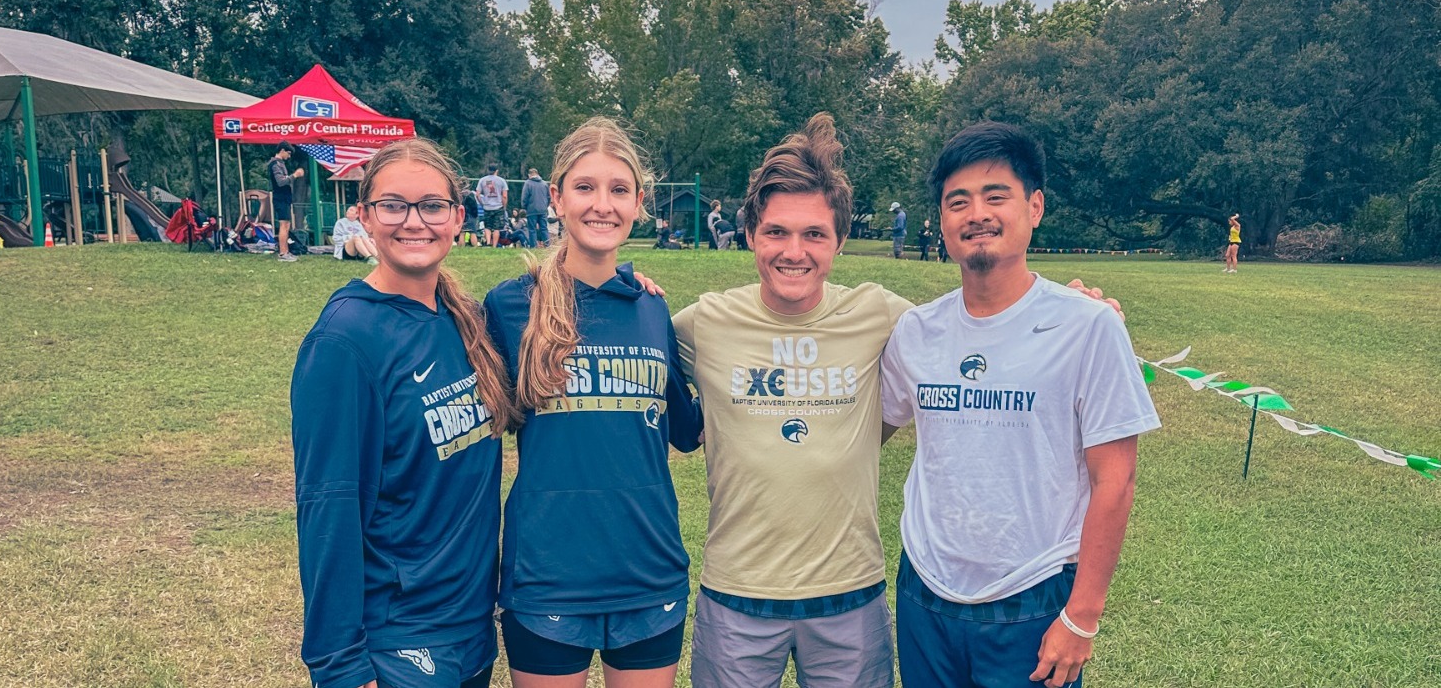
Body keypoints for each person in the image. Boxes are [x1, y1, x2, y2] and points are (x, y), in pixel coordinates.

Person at [673, 113, 1119, 688]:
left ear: (839, 240)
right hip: (735, 594)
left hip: (851, 594)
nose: (794, 251)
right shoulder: (704, 322)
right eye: (777, 232)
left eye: (815, 234)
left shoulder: (885, 316)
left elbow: (980, 329)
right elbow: (637, 344)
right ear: (751, 234)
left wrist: (1075, 309)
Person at [880, 121, 1160, 688]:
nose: (976, 214)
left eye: (996, 196)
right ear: (942, 220)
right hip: (925, 591)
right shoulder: (916, 330)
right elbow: (861, 434)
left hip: (1032, 596)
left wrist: (1081, 618)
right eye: (958, 201)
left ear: (1034, 207)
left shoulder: (1088, 326)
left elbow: (1115, 481)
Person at [290, 138, 523, 688]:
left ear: (458, 218)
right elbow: (328, 505)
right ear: (365, 216)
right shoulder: (345, 341)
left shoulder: (465, 320)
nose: (414, 221)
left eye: (432, 206)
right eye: (393, 205)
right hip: (398, 642)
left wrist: (625, 281)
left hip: (470, 628)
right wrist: (340, 666)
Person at [483, 117, 703, 688]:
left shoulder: (651, 306)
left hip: (647, 571)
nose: (602, 205)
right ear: (556, 198)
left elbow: (688, 429)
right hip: (548, 574)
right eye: (585, 187)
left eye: (618, 189)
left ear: (639, 203)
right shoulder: (510, 306)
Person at [268, 141, 305, 262]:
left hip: (285, 198)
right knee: (283, 225)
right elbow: (281, 182)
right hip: (280, 198)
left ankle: (286, 251)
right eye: (288, 153)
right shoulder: (275, 164)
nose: (289, 156)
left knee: (287, 225)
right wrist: (295, 175)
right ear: (282, 150)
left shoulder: (280, 164)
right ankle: (283, 253)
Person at [477, 163, 509, 247]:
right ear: (496, 171)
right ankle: (494, 245)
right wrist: (504, 206)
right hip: (498, 206)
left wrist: (482, 203)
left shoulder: (482, 180)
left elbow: (477, 194)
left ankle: (488, 242)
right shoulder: (502, 181)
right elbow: (504, 196)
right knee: (497, 228)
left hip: (487, 206)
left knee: (487, 226)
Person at [521, 167, 551, 248]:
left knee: (532, 229)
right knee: (544, 228)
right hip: (543, 209)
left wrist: (524, 206)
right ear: (537, 174)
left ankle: (533, 246)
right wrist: (545, 205)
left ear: (529, 175)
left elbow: (524, 197)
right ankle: (547, 245)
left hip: (531, 209)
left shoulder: (528, 183)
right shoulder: (544, 183)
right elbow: (549, 197)